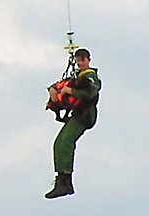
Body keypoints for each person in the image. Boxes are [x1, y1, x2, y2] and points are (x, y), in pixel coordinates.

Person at [44, 48, 100, 199]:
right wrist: (52, 90)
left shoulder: (90, 77)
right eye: (78, 60)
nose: (80, 63)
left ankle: (66, 181)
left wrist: (69, 91)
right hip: (76, 114)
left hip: (84, 115)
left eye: (83, 60)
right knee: (59, 143)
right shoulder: (76, 76)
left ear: (88, 60)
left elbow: (90, 92)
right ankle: (61, 179)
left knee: (66, 141)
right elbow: (60, 84)